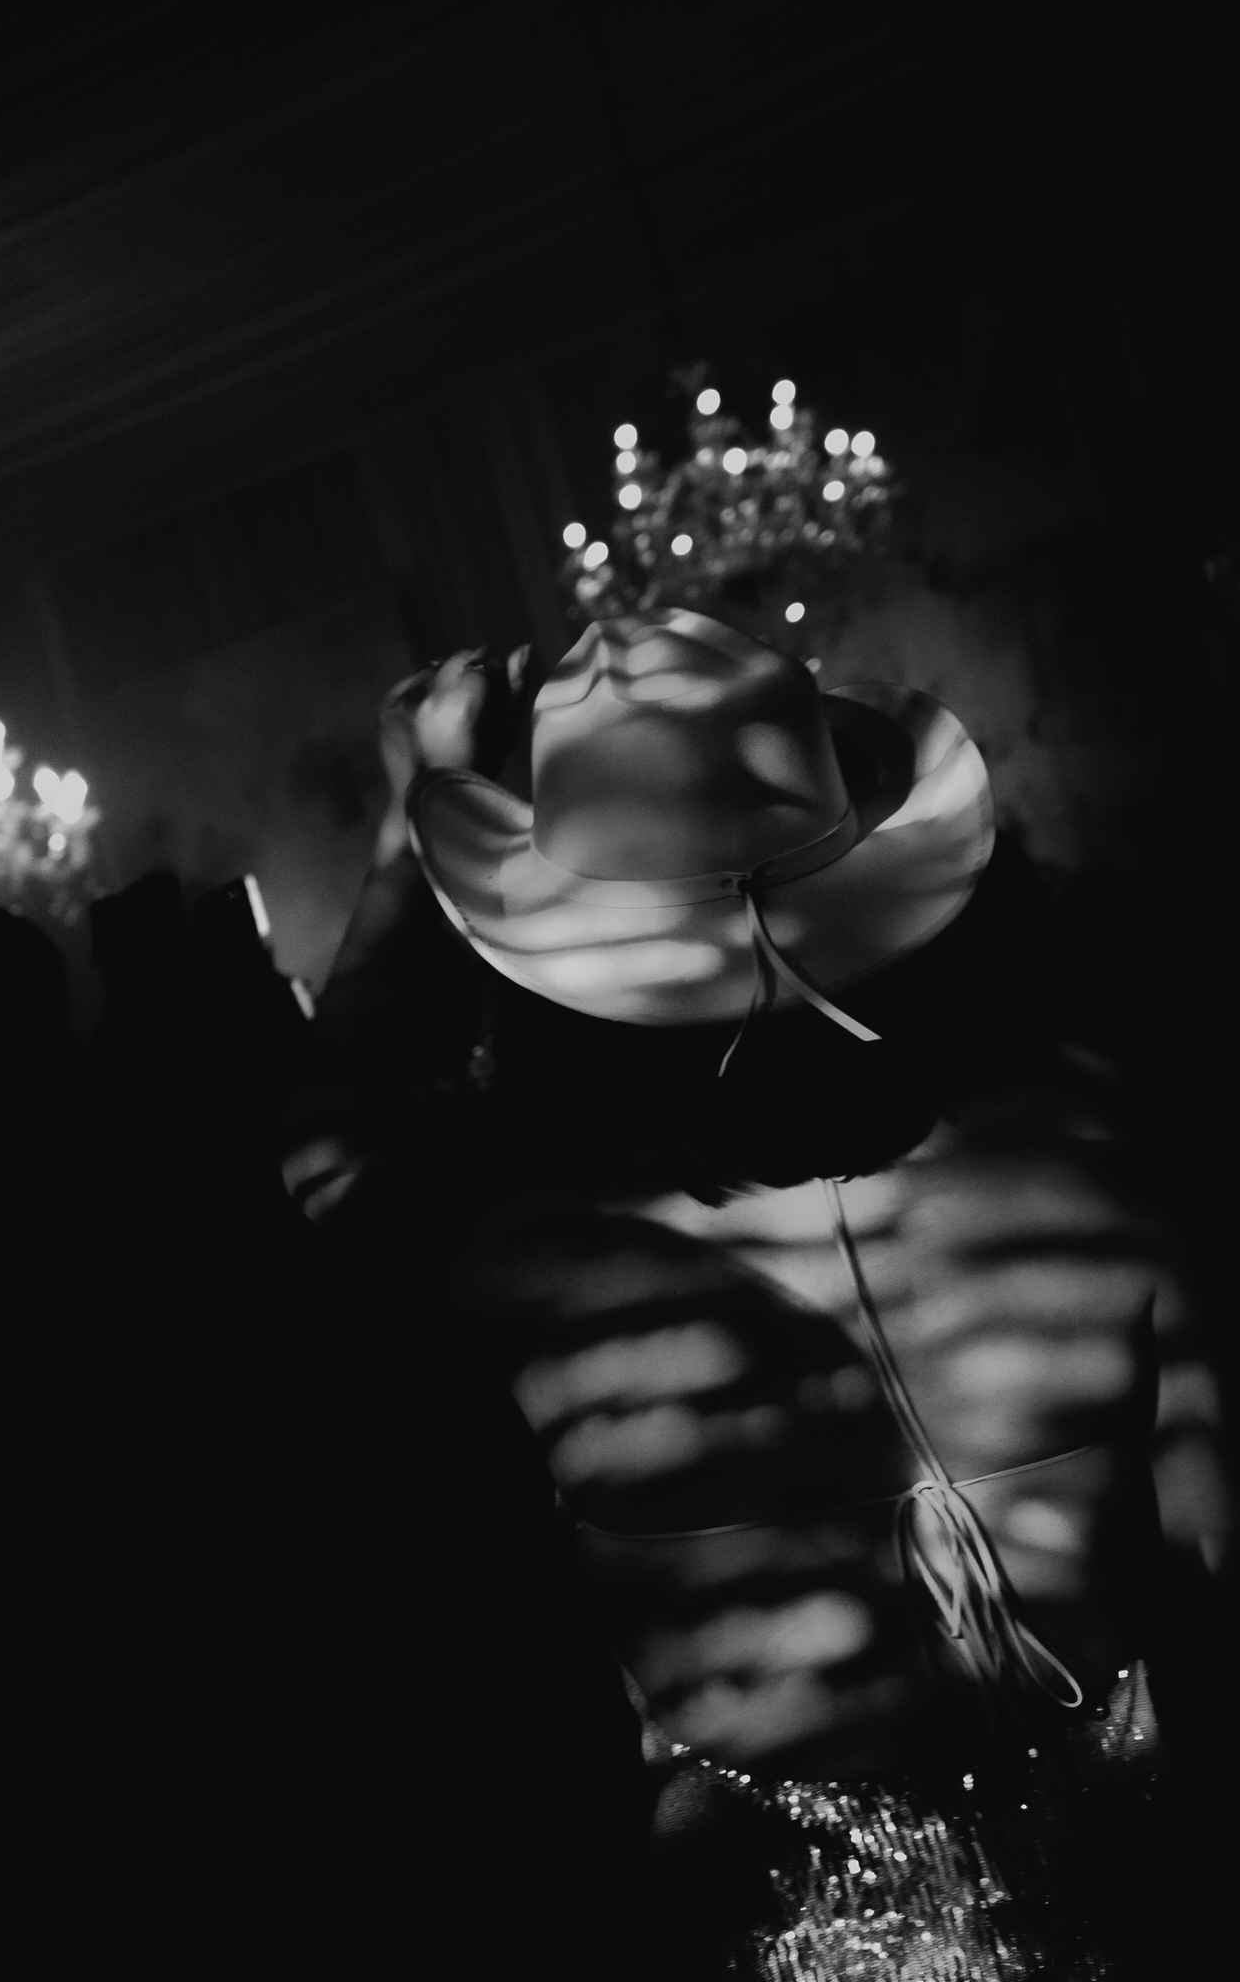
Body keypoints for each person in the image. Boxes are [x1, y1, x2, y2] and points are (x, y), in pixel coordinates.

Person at [283, 615, 1230, 1979]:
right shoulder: (1089, 1143)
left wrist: (409, 815)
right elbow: (1211, 1556)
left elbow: (329, 1159)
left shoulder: (540, 1259)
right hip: (1157, 1901)